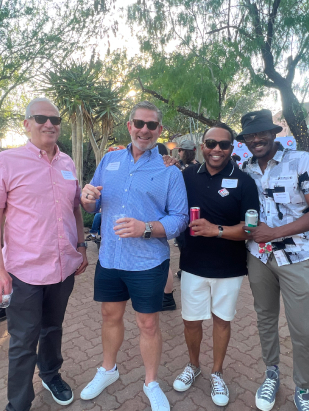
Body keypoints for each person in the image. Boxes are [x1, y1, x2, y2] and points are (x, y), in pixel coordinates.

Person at [80, 101, 188, 411]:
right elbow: (93, 204)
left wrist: (146, 228)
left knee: (148, 325)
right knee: (109, 317)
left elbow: (179, 218)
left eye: (151, 125)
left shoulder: (169, 170)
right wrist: (87, 200)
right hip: (111, 258)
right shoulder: (111, 160)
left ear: (159, 130)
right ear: (129, 126)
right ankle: (108, 370)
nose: (144, 129)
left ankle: (151, 382)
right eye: (138, 123)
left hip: (148, 262)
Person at [0, 97, 88, 411]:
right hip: (24, 271)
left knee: (53, 329)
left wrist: (81, 245)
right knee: (23, 341)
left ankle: (51, 375)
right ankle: (19, 403)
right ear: (26, 124)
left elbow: (74, 207)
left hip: (63, 268)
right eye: (40, 118)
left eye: (55, 119)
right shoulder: (7, 161)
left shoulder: (66, 162)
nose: (49, 124)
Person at [172, 123, 259, 407]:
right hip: (193, 263)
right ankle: (194, 366)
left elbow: (250, 229)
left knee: (222, 320)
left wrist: (216, 230)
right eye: (211, 144)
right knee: (191, 321)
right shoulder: (186, 176)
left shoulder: (244, 180)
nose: (216, 150)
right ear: (202, 147)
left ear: (232, 148)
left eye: (223, 145)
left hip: (229, 266)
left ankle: (217, 372)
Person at [237, 109, 309, 411]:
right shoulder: (244, 167)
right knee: (265, 319)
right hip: (259, 258)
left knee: (302, 326)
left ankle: (303, 387)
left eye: (262, 133)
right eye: (251, 135)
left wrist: (275, 233)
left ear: (273, 133)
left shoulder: (301, 161)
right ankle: (271, 374)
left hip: (297, 256)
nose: (257, 139)